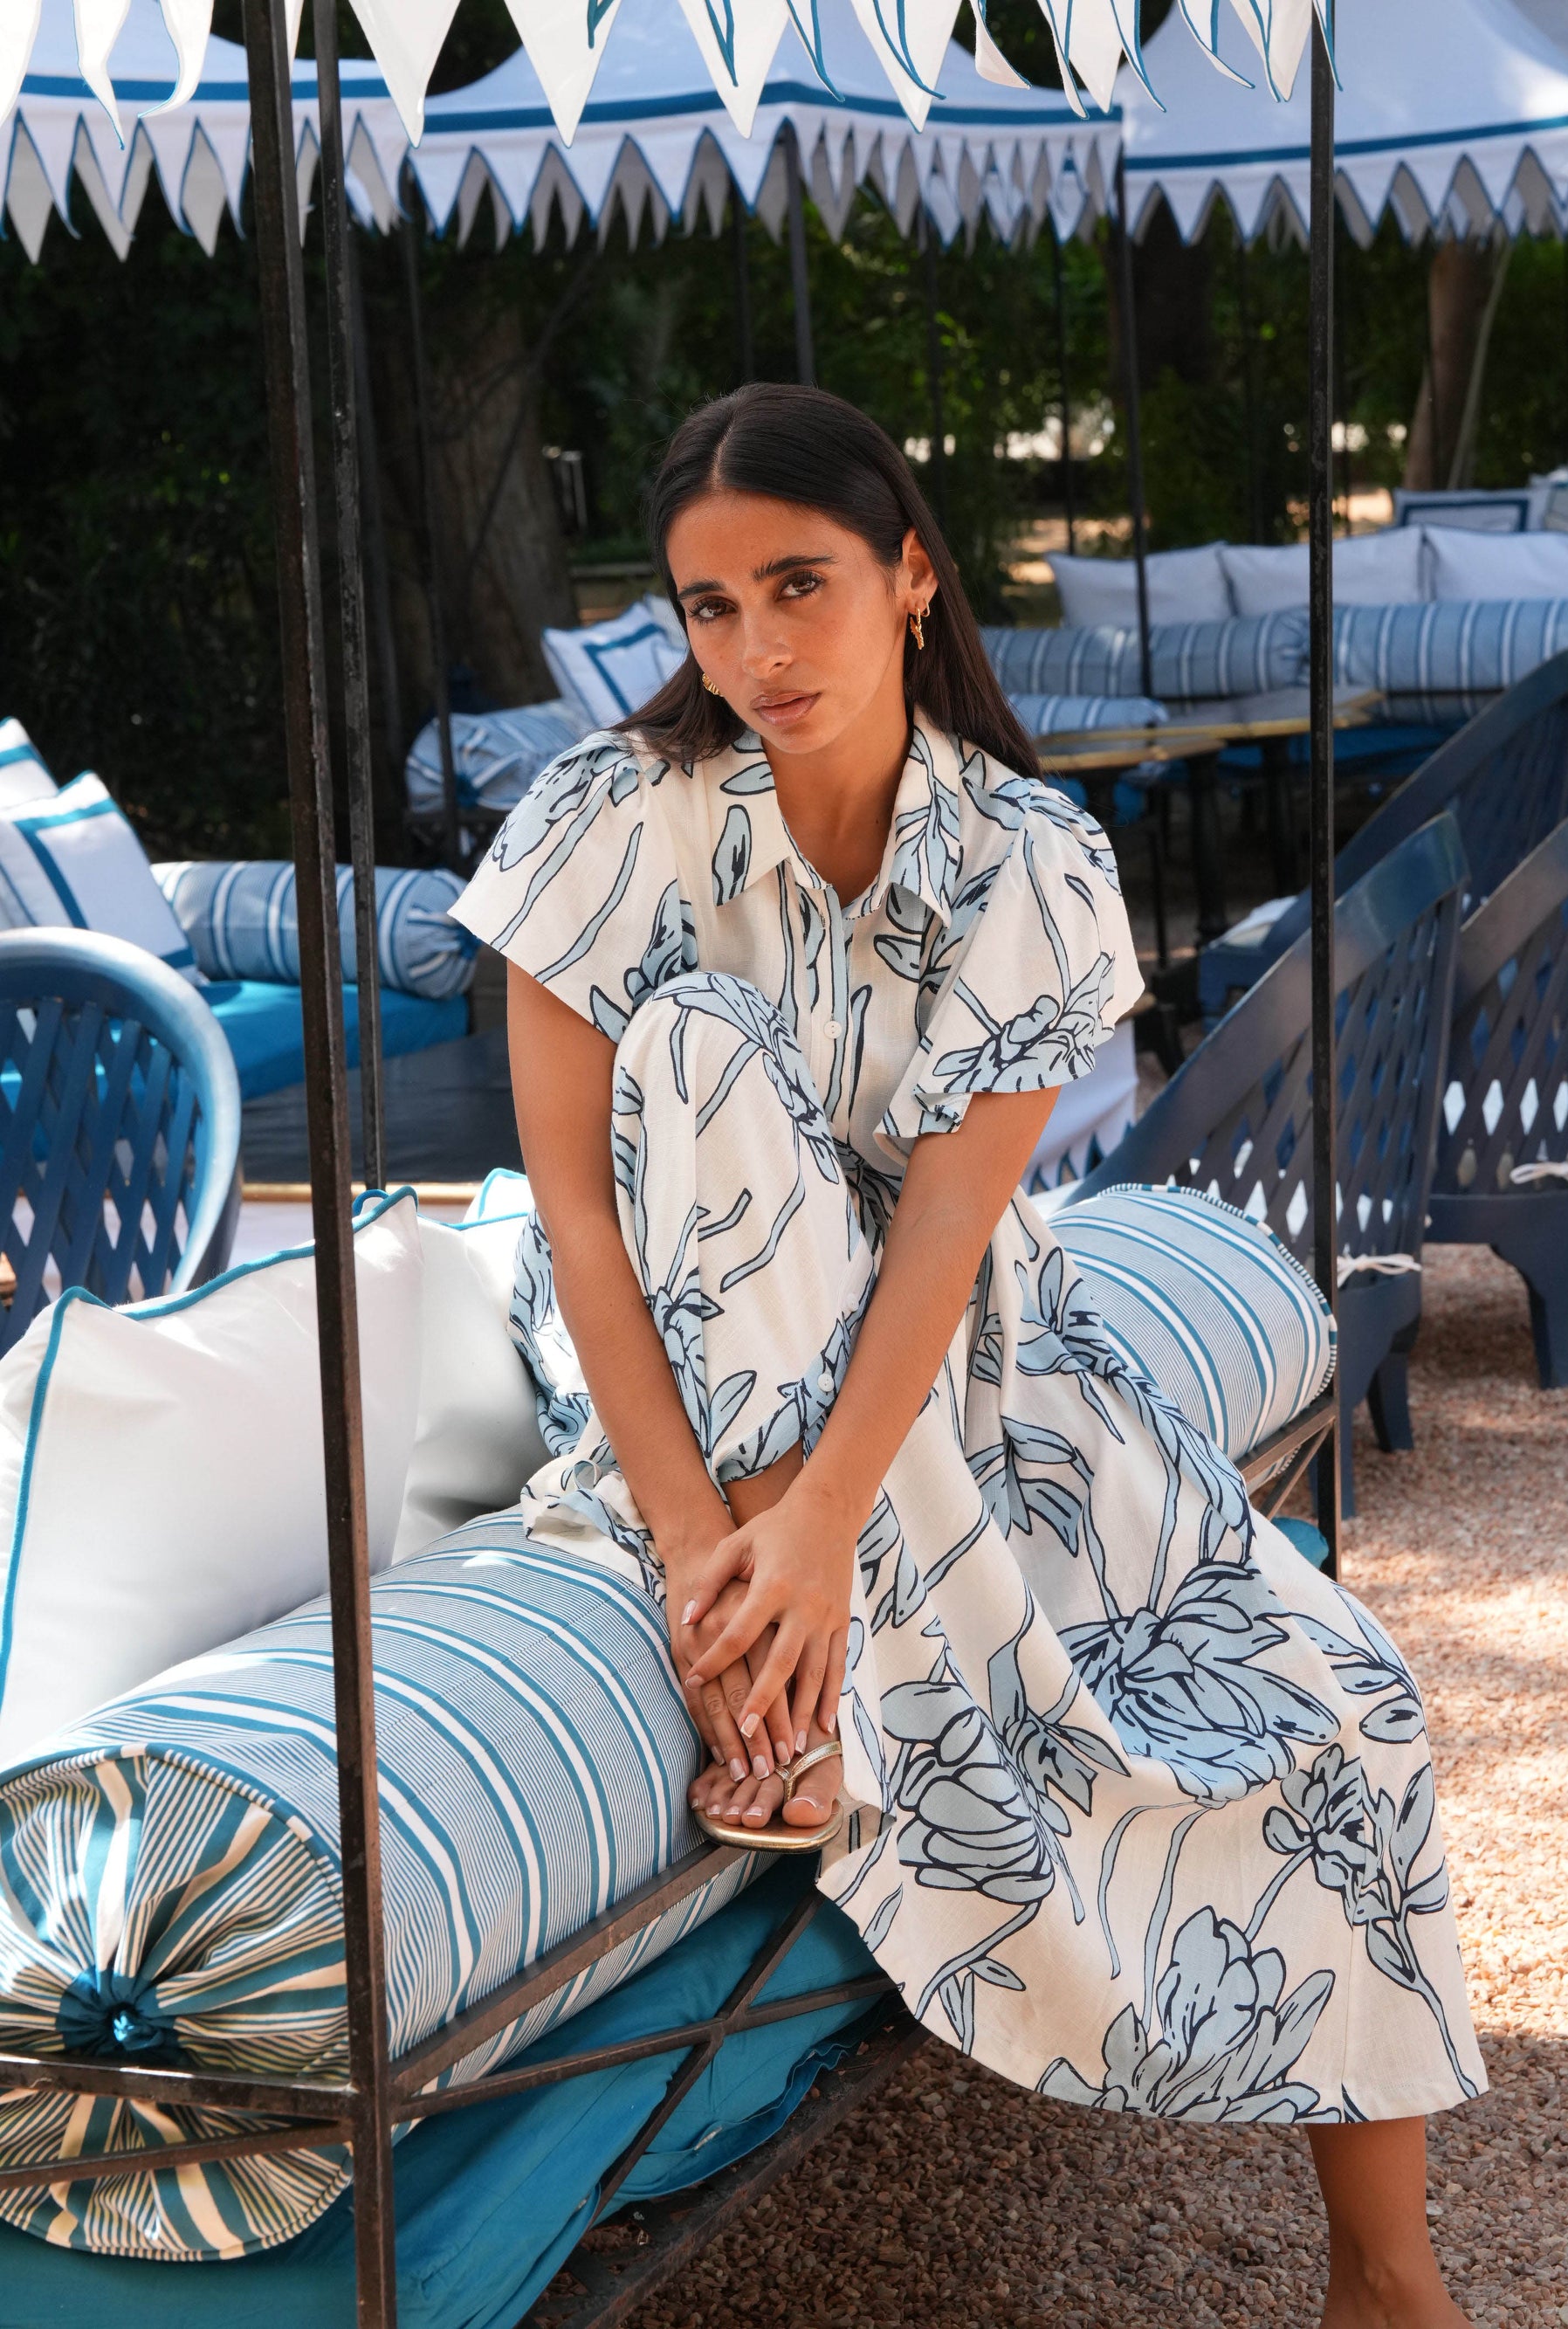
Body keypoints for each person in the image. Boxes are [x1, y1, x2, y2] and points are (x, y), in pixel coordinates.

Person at [452, 383, 1483, 2328]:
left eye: (798, 585)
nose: (753, 649)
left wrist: (839, 1511)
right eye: (703, 606)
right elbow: (577, 1213)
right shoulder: (605, 822)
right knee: (696, 1057)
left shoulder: (1027, 855)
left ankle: (1386, 2270)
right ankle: (782, 1695)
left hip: (958, 1348)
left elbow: (945, 1230)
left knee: (1341, 1689)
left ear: (911, 575)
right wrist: (702, 1547)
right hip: (671, 1331)